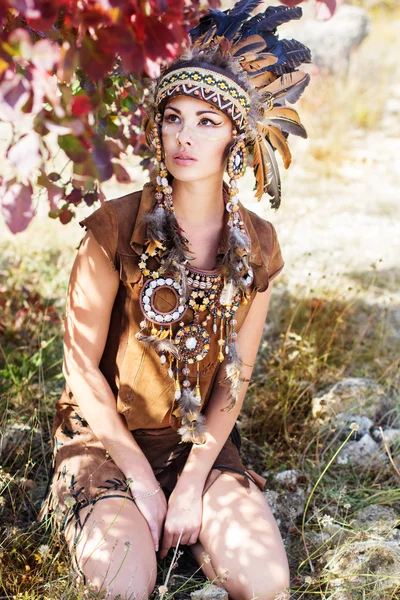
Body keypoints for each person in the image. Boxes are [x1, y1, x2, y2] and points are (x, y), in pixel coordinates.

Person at [39, 2, 311, 599]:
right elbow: (80, 365)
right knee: (122, 589)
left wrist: (188, 486)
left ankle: (196, 528)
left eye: (207, 122)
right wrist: (138, 477)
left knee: (266, 587)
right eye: (173, 117)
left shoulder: (257, 244)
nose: (184, 136)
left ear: (237, 137)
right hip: (106, 442)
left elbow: (233, 381)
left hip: (197, 450)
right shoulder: (116, 225)